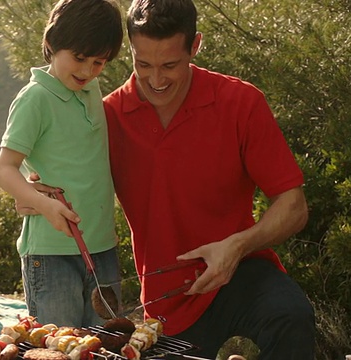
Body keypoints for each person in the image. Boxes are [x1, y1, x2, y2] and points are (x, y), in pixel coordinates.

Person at [103, 0, 315, 358]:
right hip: (166, 299)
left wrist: (236, 246)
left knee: (291, 316)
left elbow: (293, 206)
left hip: (241, 272)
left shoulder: (241, 102)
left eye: (170, 65)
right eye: (143, 65)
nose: (156, 80)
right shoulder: (107, 116)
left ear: (195, 46)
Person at [0, 0, 124, 328]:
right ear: (51, 44)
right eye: (79, 58)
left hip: (103, 246)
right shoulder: (34, 98)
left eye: (99, 62)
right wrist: (39, 202)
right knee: (58, 345)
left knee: (107, 343)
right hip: (50, 254)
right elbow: (4, 169)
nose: (87, 70)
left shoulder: (91, 89)